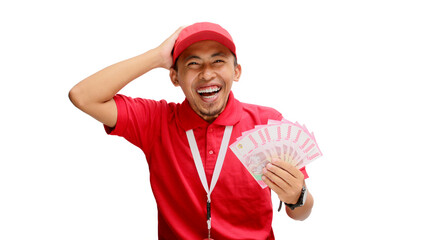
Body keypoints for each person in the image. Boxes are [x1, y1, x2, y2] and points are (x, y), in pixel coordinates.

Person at [69, 22, 314, 240]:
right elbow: (83, 96)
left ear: (236, 72)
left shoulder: (267, 122)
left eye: (218, 61)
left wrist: (297, 196)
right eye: (193, 63)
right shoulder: (155, 121)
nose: (207, 73)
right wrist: (156, 56)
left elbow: (301, 214)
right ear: (175, 77)